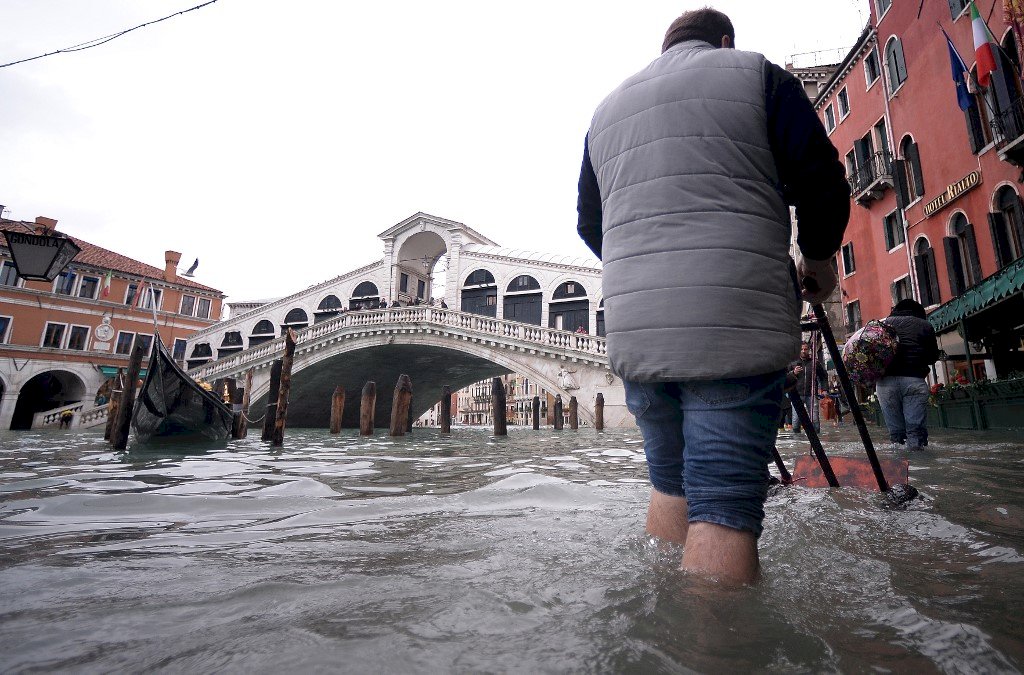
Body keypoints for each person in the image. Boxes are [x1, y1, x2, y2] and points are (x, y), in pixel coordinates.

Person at [576, 8, 849, 583]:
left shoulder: (605, 111)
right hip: (733, 318)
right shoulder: (757, 75)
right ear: (724, 42)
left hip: (636, 328)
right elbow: (822, 182)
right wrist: (818, 264)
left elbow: (589, 225)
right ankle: (716, 654)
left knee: (670, 483)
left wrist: (642, 271)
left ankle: (663, 631)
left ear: (666, 47)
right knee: (723, 499)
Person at [874, 299, 940, 451]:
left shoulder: (883, 324)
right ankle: (920, 466)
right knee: (915, 432)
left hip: (886, 384)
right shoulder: (925, 325)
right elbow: (932, 357)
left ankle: (900, 468)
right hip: (914, 380)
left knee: (896, 434)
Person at [788, 342, 828, 435]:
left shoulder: (815, 363)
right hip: (796, 394)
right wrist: (793, 373)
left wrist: (824, 389)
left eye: (805, 349)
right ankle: (798, 443)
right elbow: (784, 377)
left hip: (811, 394)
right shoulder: (792, 363)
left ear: (809, 350)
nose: (803, 351)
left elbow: (823, 377)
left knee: (815, 420)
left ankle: (817, 441)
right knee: (796, 421)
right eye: (801, 349)